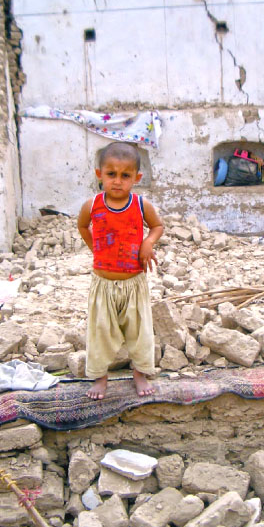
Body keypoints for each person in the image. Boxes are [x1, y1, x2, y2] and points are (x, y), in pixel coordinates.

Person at [77, 142, 164, 400]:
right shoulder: (92, 205)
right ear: (99, 174)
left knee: (139, 332)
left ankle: (140, 373)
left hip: (134, 283)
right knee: (101, 331)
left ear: (136, 178)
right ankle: (100, 377)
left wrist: (148, 242)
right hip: (103, 283)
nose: (117, 181)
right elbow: (82, 226)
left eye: (125, 175)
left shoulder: (140, 205)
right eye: (111, 174)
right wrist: (96, 249)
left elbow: (157, 226)